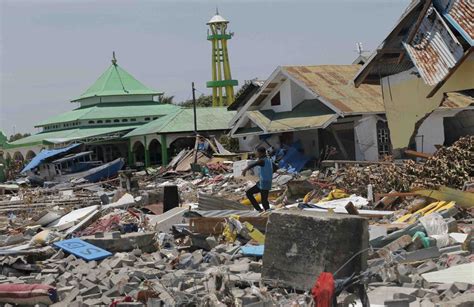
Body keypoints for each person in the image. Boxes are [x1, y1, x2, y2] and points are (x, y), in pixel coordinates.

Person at [242, 147, 274, 212]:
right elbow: (275, 167)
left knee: (252, 194)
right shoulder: (269, 160)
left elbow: (253, 164)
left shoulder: (262, 160)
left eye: (257, 153)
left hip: (263, 182)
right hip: (266, 182)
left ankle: (260, 210)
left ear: (261, 153)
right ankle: (264, 211)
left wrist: (245, 170)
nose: (256, 154)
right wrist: (268, 173)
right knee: (263, 199)